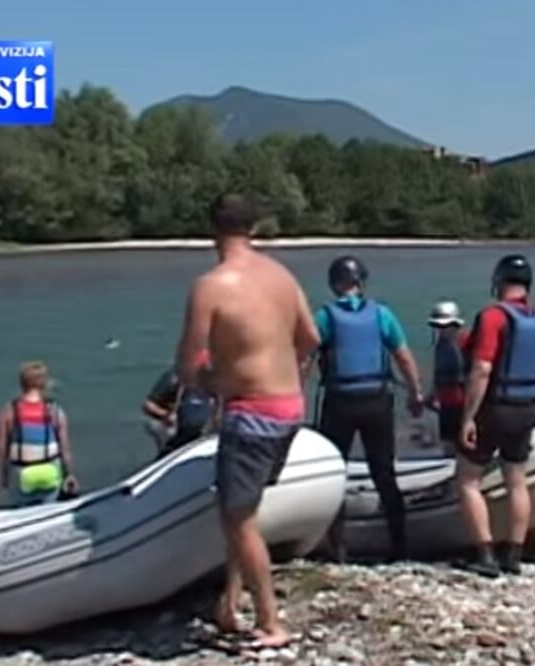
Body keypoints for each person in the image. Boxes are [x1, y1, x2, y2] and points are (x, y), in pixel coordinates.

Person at [175, 193, 320, 648]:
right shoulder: (281, 275)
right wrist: (287, 376)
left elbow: (185, 366)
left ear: (211, 230)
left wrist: (212, 379)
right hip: (290, 409)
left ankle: (270, 622)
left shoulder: (212, 286)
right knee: (244, 511)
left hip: (251, 412)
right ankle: (229, 600)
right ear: (253, 228)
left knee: (237, 519)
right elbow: (310, 338)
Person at [312, 255, 424, 563]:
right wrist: (415, 393)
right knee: (384, 473)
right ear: (361, 282)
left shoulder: (325, 317)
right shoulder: (382, 315)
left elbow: (304, 357)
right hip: (377, 400)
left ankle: (338, 549)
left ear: (335, 284)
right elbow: (404, 358)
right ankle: (400, 547)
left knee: (336, 472)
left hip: (340, 402)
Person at [458, 255, 535, 577]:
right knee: (516, 480)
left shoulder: (493, 317)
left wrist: (468, 416)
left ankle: (484, 555)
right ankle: (514, 554)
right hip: (527, 408)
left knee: (468, 479)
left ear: (499, 280)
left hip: (495, 408)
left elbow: (481, 369)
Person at [0, 362, 79, 507]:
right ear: (44, 384)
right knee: (49, 511)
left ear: (22, 383)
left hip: (21, 473)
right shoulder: (54, 410)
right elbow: (64, 448)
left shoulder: (10, 410)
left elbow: (2, 448)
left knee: (22, 514)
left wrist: (4, 476)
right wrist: (69, 475)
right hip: (50, 471)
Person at [142, 349, 216, 458]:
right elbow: (148, 405)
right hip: (179, 435)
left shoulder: (217, 381)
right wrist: (167, 416)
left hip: (207, 437)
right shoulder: (175, 379)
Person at [427, 301, 469, 448]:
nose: (442, 330)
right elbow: (438, 375)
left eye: (446, 326)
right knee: (447, 442)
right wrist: (432, 396)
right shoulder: (440, 345)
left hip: (463, 403)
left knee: (463, 441)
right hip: (446, 404)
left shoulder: (465, 341)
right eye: (438, 326)